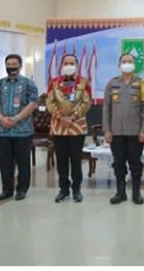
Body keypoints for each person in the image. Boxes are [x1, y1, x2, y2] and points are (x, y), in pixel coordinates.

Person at [102, 53, 144, 205]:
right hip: (116, 132)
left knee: (135, 164)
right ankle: (120, 192)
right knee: (119, 163)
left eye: (129, 61)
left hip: (135, 132)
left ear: (134, 65)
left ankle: (136, 193)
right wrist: (107, 130)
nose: (127, 64)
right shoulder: (112, 83)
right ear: (119, 65)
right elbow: (106, 108)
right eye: (124, 61)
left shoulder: (142, 83)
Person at [0, 54, 39, 201]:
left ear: (20, 66)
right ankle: (7, 190)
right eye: (8, 64)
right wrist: (1, 118)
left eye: (14, 64)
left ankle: (22, 189)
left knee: (23, 162)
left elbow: (33, 104)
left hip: (23, 130)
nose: (11, 67)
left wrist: (16, 118)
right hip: (3, 130)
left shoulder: (28, 84)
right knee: (5, 162)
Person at [46, 54, 92, 203]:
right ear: (61, 65)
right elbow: (50, 102)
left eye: (72, 63)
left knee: (76, 161)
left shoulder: (84, 83)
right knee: (61, 161)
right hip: (59, 127)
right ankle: (63, 190)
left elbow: (86, 103)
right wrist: (60, 117)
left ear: (77, 66)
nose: (69, 66)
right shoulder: (54, 83)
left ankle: (77, 189)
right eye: (66, 63)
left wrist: (72, 118)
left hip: (77, 127)